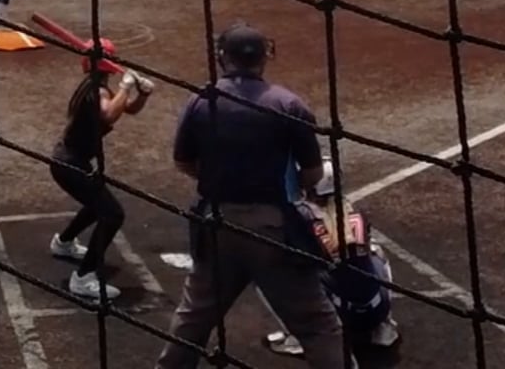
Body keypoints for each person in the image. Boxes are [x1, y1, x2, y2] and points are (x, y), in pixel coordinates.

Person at [154, 23, 348, 369]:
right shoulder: (288, 104)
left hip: (216, 224)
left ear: (222, 57)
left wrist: (221, 178)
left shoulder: (202, 100)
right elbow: (313, 174)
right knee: (318, 327)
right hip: (273, 229)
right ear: (264, 57)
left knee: (193, 320)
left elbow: (183, 161)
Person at [46, 36, 152, 303]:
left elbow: (127, 109)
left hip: (70, 161)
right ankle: (83, 278)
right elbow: (109, 114)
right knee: (112, 214)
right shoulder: (98, 91)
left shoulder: (96, 87)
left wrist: (142, 94)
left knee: (98, 206)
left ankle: (64, 243)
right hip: (70, 163)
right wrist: (127, 86)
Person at [266, 153, 400, 357]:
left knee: (273, 269)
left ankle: (297, 338)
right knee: (375, 252)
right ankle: (383, 327)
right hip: (376, 308)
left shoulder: (304, 215)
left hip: (338, 315)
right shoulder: (355, 212)